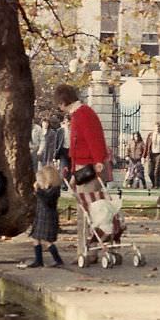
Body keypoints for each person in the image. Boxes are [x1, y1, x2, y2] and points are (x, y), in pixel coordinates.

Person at [54, 83, 107, 264]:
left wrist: (99, 160)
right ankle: (86, 249)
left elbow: (94, 138)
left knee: (89, 210)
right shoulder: (78, 114)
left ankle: (87, 251)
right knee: (86, 210)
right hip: (80, 167)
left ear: (63, 101)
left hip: (88, 168)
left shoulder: (83, 114)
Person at [19, 165, 65, 268]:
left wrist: (39, 191)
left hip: (47, 217)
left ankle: (58, 260)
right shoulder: (45, 190)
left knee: (47, 240)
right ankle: (38, 260)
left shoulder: (54, 190)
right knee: (35, 238)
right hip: (40, 215)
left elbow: (47, 201)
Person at [55, 115, 71, 184]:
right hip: (63, 151)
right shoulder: (60, 131)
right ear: (64, 121)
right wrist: (55, 155)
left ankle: (69, 184)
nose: (68, 123)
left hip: (71, 151)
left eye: (69, 121)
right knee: (63, 168)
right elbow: (56, 143)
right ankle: (63, 184)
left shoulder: (74, 130)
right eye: (66, 121)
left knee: (70, 168)